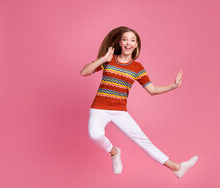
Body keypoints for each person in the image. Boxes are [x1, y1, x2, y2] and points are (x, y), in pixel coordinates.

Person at [80, 26, 198, 179]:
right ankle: (114, 152)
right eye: (125, 39)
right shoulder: (109, 59)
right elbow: (84, 72)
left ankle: (176, 167)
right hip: (99, 109)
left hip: (120, 111)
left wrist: (174, 86)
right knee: (95, 135)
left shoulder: (137, 68)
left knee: (144, 142)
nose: (128, 43)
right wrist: (103, 59)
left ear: (136, 45)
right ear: (120, 43)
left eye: (132, 40)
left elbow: (152, 90)